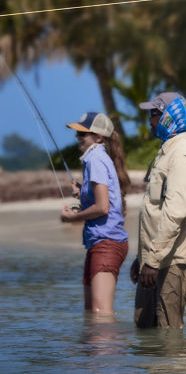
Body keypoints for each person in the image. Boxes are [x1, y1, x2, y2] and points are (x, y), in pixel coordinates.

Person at [130, 91, 186, 329]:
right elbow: (155, 210)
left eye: (154, 114)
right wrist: (142, 257)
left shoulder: (182, 156)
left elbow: (174, 213)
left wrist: (153, 261)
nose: (150, 120)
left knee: (169, 336)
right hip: (155, 258)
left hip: (172, 261)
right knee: (145, 330)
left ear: (168, 117)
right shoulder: (166, 152)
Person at [61, 112, 130, 317]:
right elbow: (102, 199)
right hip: (98, 242)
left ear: (98, 137)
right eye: (77, 133)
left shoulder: (95, 159)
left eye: (83, 134)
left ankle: (116, 349)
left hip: (107, 242)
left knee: (101, 313)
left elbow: (102, 207)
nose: (77, 138)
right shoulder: (96, 158)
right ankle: (97, 350)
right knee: (91, 313)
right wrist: (83, 190)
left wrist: (73, 218)